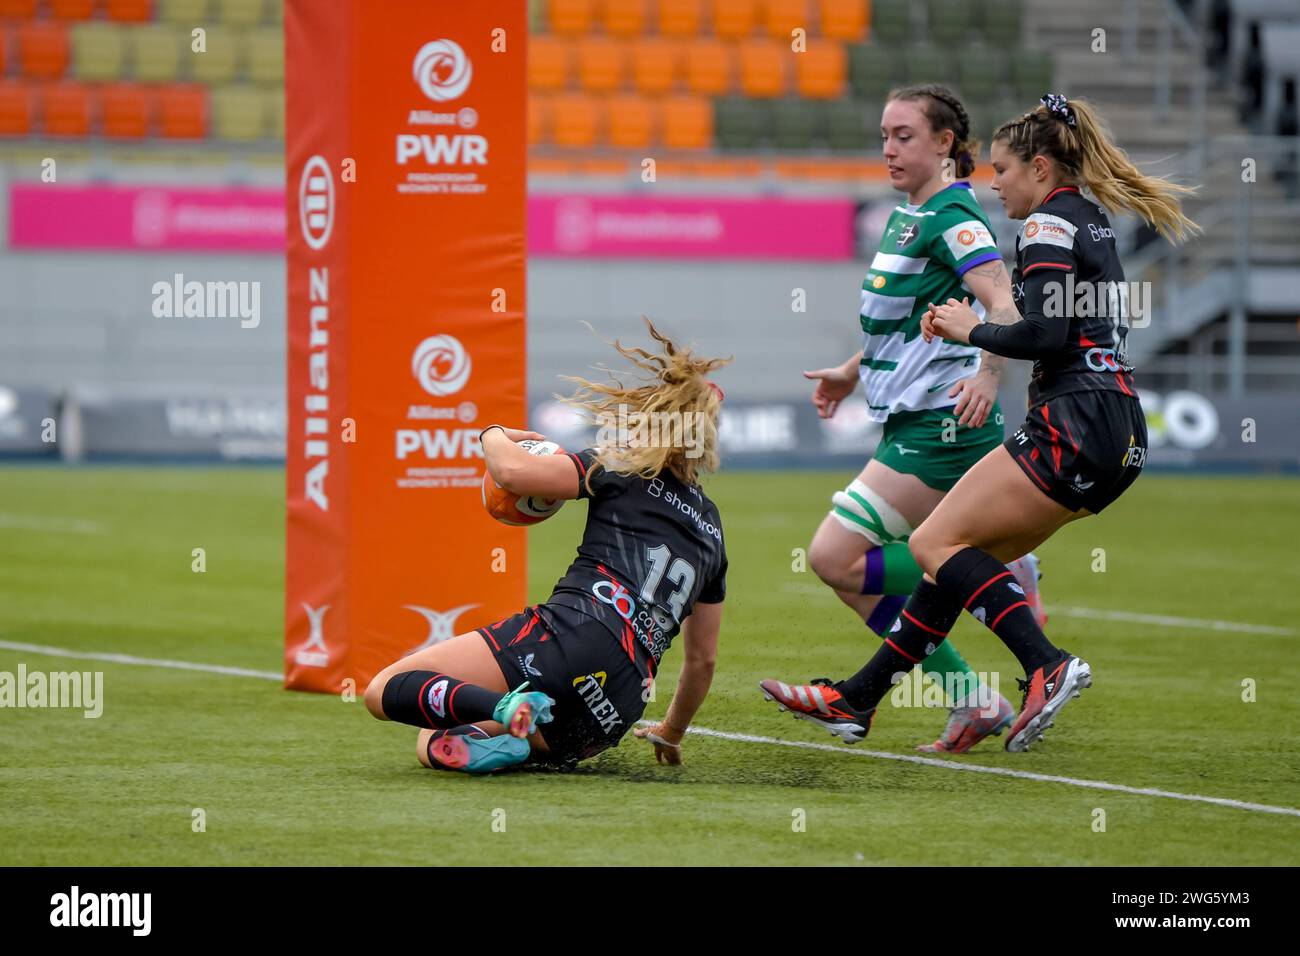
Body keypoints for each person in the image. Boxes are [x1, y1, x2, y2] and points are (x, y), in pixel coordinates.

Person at [761, 93, 1198, 753]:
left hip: (1067, 421)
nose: (995, 184)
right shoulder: (1091, 218)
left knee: (931, 548)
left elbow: (1042, 332)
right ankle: (863, 697)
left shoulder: (1043, 225)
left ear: (1042, 167)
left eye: (1004, 170)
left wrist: (979, 338)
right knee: (950, 554)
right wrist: (864, 365)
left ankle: (1044, 662)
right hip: (1115, 426)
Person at [792, 84, 1042, 753]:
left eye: (903, 135)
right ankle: (970, 692)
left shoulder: (953, 214)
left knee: (835, 556)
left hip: (944, 424)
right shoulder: (911, 214)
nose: (889, 149)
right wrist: (853, 369)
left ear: (944, 144)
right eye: (883, 135)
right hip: (910, 420)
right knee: (845, 563)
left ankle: (991, 569)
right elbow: (908, 322)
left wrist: (989, 375)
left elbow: (1004, 300)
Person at [364, 319, 730, 773]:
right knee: (434, 739)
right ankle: (514, 734)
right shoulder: (713, 531)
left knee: (384, 689)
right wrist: (671, 731)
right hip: (615, 704)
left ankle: (504, 709)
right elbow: (702, 660)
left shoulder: (619, 468)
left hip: (571, 637)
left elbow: (512, 474)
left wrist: (491, 434)